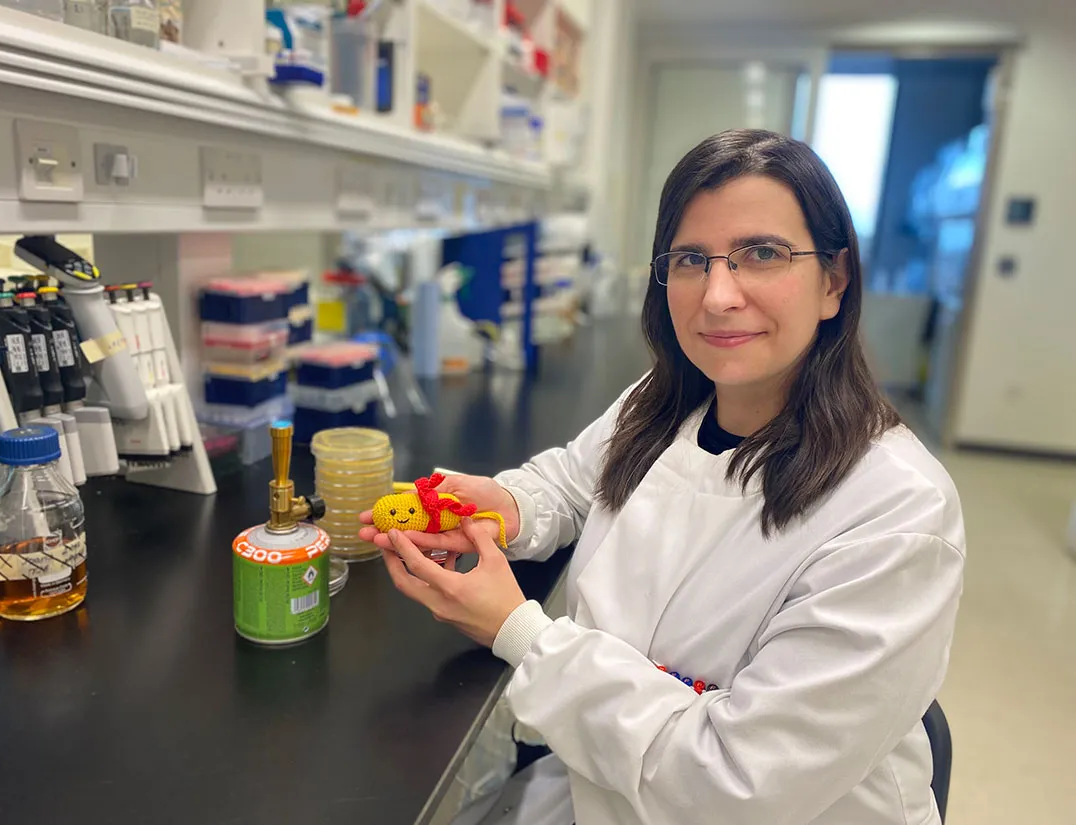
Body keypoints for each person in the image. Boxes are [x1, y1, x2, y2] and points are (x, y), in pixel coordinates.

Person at [359, 129, 965, 825]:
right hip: (605, 780)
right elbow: (574, 481)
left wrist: (519, 632)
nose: (718, 295)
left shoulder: (896, 511)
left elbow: (735, 783)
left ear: (834, 280)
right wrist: (507, 506)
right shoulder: (670, 400)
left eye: (762, 254)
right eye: (690, 260)